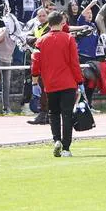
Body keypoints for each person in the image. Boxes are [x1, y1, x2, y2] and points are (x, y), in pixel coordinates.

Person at [31, 11, 83, 158]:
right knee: (67, 114)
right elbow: (74, 63)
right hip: (68, 83)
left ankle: (56, 140)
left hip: (50, 84)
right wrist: (80, 81)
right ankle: (66, 147)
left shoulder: (41, 41)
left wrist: (35, 81)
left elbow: (35, 63)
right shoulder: (68, 39)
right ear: (62, 23)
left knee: (53, 113)